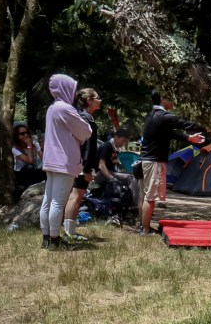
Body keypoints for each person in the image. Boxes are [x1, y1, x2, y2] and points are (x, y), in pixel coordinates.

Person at [139, 90, 206, 235]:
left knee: (149, 195)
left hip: (151, 160)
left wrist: (189, 138)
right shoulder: (162, 116)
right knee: (150, 196)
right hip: (154, 161)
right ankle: (145, 230)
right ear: (162, 99)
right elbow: (185, 124)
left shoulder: (153, 115)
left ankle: (144, 226)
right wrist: (208, 126)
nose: (173, 100)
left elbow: (171, 133)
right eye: (170, 97)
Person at [39, 74, 92, 250]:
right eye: (72, 88)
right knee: (58, 202)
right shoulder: (66, 109)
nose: (75, 93)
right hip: (64, 161)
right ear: (65, 88)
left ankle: (46, 238)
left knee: (48, 201)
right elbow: (85, 132)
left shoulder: (52, 108)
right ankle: (55, 240)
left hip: (51, 160)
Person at [63, 88, 102, 242]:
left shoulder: (85, 117)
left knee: (77, 196)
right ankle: (69, 232)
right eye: (97, 97)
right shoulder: (85, 119)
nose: (100, 100)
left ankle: (70, 231)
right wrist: (85, 168)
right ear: (89, 101)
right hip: (81, 164)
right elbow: (86, 146)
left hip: (80, 163)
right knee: (75, 196)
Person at [95, 126, 139, 214]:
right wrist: (112, 178)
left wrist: (125, 170)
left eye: (125, 141)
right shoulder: (106, 147)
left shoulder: (114, 148)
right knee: (131, 178)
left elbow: (115, 163)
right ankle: (135, 205)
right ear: (116, 137)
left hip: (111, 172)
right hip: (101, 174)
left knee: (133, 175)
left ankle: (130, 202)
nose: (123, 143)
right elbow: (101, 165)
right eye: (122, 141)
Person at [11, 123, 45, 192]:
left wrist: (42, 147)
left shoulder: (34, 144)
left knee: (45, 170)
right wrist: (29, 146)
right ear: (17, 136)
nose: (26, 135)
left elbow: (44, 159)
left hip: (34, 171)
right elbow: (30, 161)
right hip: (21, 173)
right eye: (22, 134)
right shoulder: (15, 149)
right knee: (29, 167)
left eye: (27, 133)